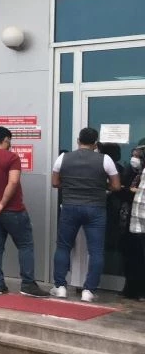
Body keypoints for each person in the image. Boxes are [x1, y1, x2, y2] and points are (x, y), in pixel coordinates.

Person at [0, 127, 48, 297]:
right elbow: (13, 182)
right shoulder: (12, 157)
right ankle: (28, 284)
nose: (10, 144)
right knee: (25, 245)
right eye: (10, 140)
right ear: (6, 139)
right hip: (13, 210)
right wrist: (2, 203)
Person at [51, 127, 121, 302]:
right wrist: (101, 186)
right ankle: (88, 291)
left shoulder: (63, 158)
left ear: (78, 141)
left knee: (63, 247)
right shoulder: (105, 159)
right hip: (95, 208)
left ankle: (60, 287)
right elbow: (116, 186)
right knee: (96, 251)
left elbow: (55, 182)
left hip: (70, 207)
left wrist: (71, 186)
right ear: (95, 144)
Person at [120, 146, 145, 300]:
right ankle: (132, 288)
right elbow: (122, 189)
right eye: (134, 155)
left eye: (139, 156)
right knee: (132, 255)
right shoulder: (131, 171)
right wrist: (129, 191)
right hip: (131, 220)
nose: (135, 159)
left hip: (140, 218)